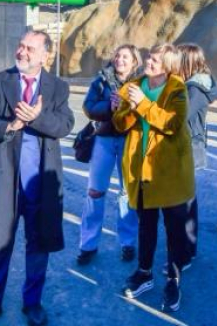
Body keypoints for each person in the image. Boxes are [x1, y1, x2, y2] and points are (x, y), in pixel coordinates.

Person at [0, 30, 75, 326]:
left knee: (38, 246)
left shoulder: (57, 88)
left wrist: (36, 117)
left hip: (39, 183)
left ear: (45, 56)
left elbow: (65, 124)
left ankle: (33, 304)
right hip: (5, 181)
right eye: (20, 45)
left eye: (30, 48)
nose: (22, 51)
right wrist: (11, 124)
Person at [114, 43, 195, 313]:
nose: (149, 61)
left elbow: (173, 124)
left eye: (156, 59)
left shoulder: (177, 88)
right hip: (141, 171)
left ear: (168, 65)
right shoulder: (134, 85)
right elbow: (120, 124)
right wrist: (121, 109)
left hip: (170, 171)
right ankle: (144, 272)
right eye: (149, 56)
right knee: (145, 225)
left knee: (174, 230)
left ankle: (173, 279)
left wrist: (143, 105)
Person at [77, 44, 142, 266]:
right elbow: (88, 107)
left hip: (130, 141)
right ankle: (88, 244)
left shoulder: (141, 82)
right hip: (104, 139)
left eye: (125, 56)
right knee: (95, 191)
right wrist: (109, 107)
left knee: (127, 193)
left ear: (135, 61)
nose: (120, 59)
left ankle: (128, 243)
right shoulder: (101, 80)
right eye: (117, 55)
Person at [178, 43, 216, 263]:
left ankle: (185, 251)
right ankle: (184, 248)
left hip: (189, 148)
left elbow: (179, 118)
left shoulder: (194, 89)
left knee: (185, 203)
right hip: (189, 146)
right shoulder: (193, 86)